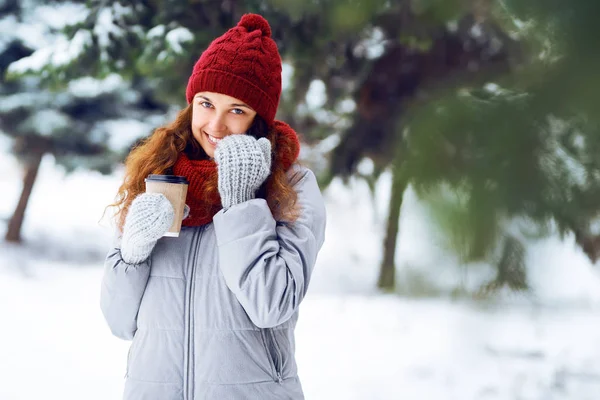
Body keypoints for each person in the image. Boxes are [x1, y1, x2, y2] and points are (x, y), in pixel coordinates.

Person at [100, 13, 326, 400]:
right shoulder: (159, 177)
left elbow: (271, 305)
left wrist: (241, 202)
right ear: (191, 104)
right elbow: (120, 323)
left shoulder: (291, 187)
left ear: (259, 120)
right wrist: (132, 253)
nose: (216, 125)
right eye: (206, 104)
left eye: (237, 110)